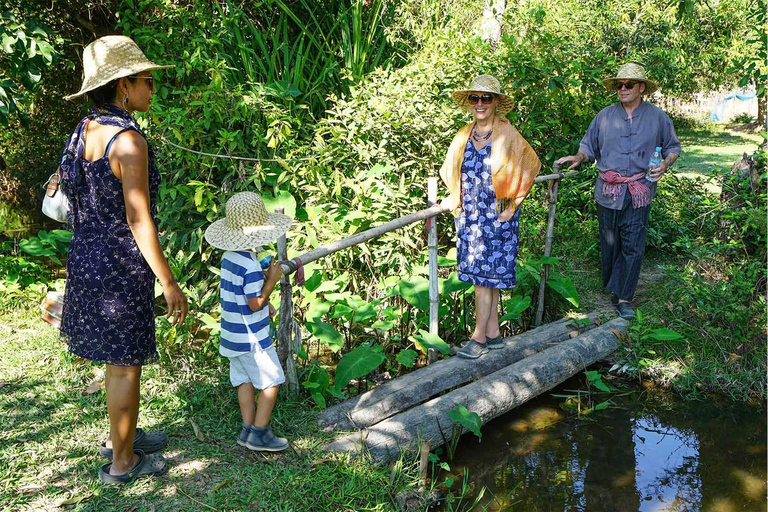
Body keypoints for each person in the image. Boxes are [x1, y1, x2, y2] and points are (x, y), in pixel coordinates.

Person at [59, 36, 188, 484]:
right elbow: (138, 219)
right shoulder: (128, 141)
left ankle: (122, 439)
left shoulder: (85, 129)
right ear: (122, 85)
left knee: (116, 363)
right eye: (146, 81)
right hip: (119, 265)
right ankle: (122, 462)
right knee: (125, 365)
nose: (152, 89)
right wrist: (169, 282)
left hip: (85, 256)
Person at [555, 63, 681, 320]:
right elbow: (588, 147)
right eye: (619, 85)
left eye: (629, 84)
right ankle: (615, 285)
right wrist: (579, 157)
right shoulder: (604, 116)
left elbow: (673, 147)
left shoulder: (658, 117)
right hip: (607, 191)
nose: (623, 89)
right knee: (610, 242)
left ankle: (624, 297)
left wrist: (665, 165)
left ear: (641, 88)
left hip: (640, 189)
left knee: (633, 244)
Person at [439, 75, 541, 359]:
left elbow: (530, 164)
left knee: (486, 278)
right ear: (469, 103)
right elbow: (452, 170)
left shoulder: (507, 134)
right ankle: (493, 332)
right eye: (475, 98)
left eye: (487, 98)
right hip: (471, 218)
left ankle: (478, 338)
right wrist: (453, 196)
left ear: (496, 102)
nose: (480, 103)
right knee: (483, 277)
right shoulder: (463, 135)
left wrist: (514, 204)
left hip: (497, 217)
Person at [204, 191, 293, 451]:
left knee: (244, 380)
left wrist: (264, 301)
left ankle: (246, 429)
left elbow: (242, 298)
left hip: (232, 336)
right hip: (252, 340)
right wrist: (272, 281)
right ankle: (260, 433)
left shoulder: (230, 260)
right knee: (272, 380)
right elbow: (255, 302)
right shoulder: (252, 267)